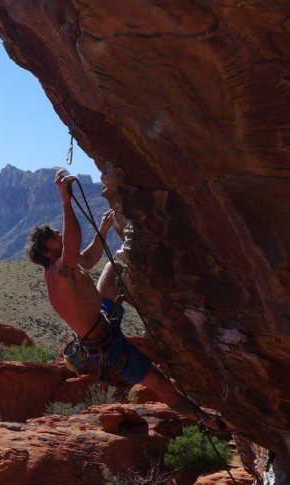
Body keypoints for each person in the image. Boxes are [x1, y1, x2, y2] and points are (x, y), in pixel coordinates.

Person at [26, 169, 227, 430]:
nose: (59, 234)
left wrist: (104, 229)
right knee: (161, 383)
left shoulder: (68, 266)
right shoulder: (58, 273)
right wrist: (66, 202)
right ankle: (209, 421)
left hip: (104, 318)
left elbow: (87, 259)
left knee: (113, 270)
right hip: (109, 348)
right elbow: (75, 249)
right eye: (54, 236)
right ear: (47, 251)